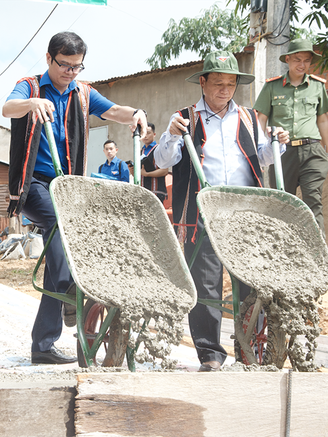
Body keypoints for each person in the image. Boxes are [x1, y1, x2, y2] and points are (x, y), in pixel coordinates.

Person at [2, 31, 147, 365]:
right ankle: (71, 288)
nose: (70, 72)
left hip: (69, 187)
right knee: (56, 220)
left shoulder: (83, 93)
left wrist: (136, 112)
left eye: (77, 66)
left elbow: (114, 112)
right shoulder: (31, 86)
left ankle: (43, 345)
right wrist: (32, 104)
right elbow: (8, 108)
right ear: (49, 58)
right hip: (34, 183)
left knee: (57, 256)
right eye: (64, 65)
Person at [154, 51, 289, 371]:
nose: (224, 90)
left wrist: (277, 143)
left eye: (231, 84)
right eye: (218, 84)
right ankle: (210, 354)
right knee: (205, 283)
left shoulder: (248, 117)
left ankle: (251, 350)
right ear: (202, 82)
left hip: (244, 210)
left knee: (252, 282)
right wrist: (172, 135)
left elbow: (262, 159)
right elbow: (161, 161)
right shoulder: (185, 117)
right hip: (202, 209)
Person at [253, 38, 328, 237]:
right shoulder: (272, 87)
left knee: (313, 200)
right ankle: (284, 252)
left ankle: (316, 254)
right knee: (283, 203)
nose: (302, 64)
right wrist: (259, 151)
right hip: (282, 153)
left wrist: (326, 148)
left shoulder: (318, 87)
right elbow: (260, 119)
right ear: (287, 59)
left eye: (306, 60)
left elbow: (322, 120)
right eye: (297, 59)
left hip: (313, 151)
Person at [129, 122, 168, 203]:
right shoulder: (139, 151)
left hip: (156, 191)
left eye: (148, 133)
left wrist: (146, 174)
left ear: (154, 134)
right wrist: (132, 170)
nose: (145, 136)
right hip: (142, 192)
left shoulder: (159, 149)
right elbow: (138, 174)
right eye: (143, 133)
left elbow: (165, 170)